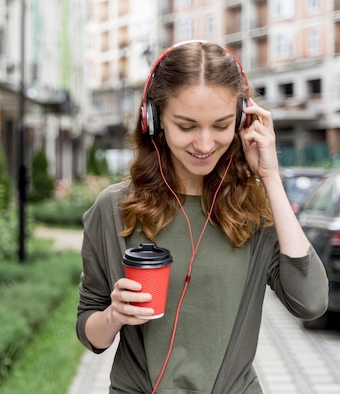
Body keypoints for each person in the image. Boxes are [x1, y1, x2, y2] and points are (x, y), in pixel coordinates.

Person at [75, 40, 329, 393]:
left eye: (222, 125)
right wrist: (113, 315)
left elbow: (311, 302)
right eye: (187, 126)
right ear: (154, 119)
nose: (206, 143)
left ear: (243, 121)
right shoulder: (114, 208)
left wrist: (270, 178)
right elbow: (90, 332)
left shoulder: (253, 208)